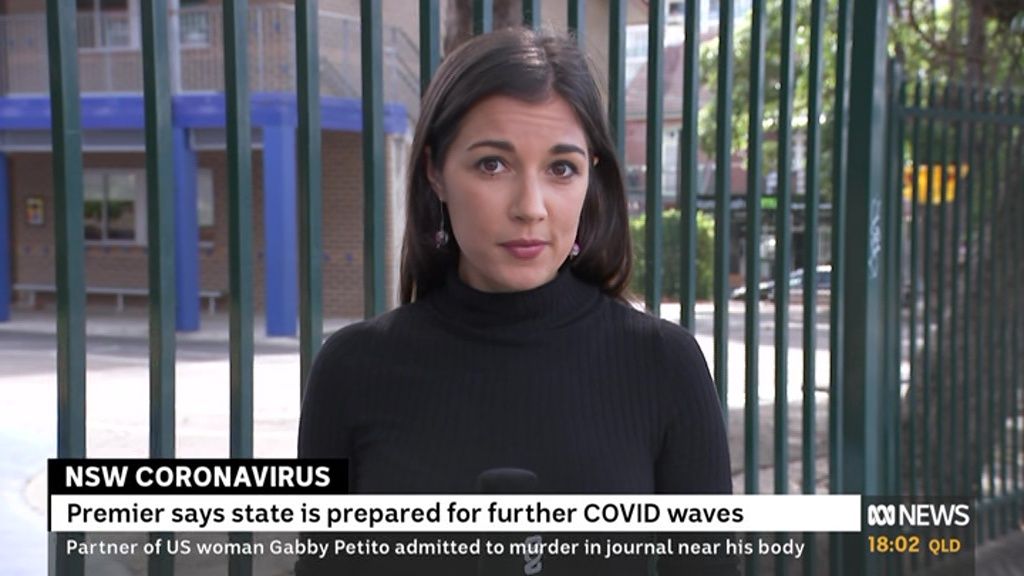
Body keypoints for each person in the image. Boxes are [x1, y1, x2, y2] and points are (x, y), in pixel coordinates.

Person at [297, 27, 736, 575]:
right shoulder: (352, 370)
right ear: (435, 171)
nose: (531, 207)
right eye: (492, 164)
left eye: (561, 169)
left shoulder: (664, 366)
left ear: (591, 178)